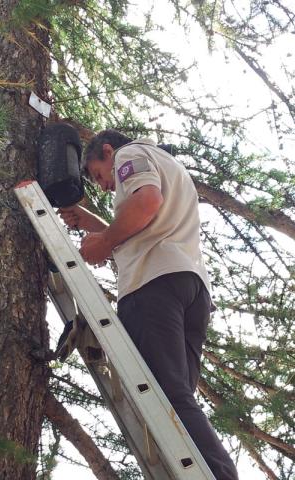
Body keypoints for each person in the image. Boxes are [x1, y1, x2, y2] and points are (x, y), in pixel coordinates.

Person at [59, 129, 239, 480]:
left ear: (108, 151)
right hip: (188, 286)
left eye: (99, 174)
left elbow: (146, 204)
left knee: (166, 393)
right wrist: (95, 226)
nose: (105, 186)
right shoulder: (168, 164)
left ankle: (220, 475)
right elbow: (145, 230)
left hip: (153, 286)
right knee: (177, 400)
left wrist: (105, 240)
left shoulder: (129, 156)